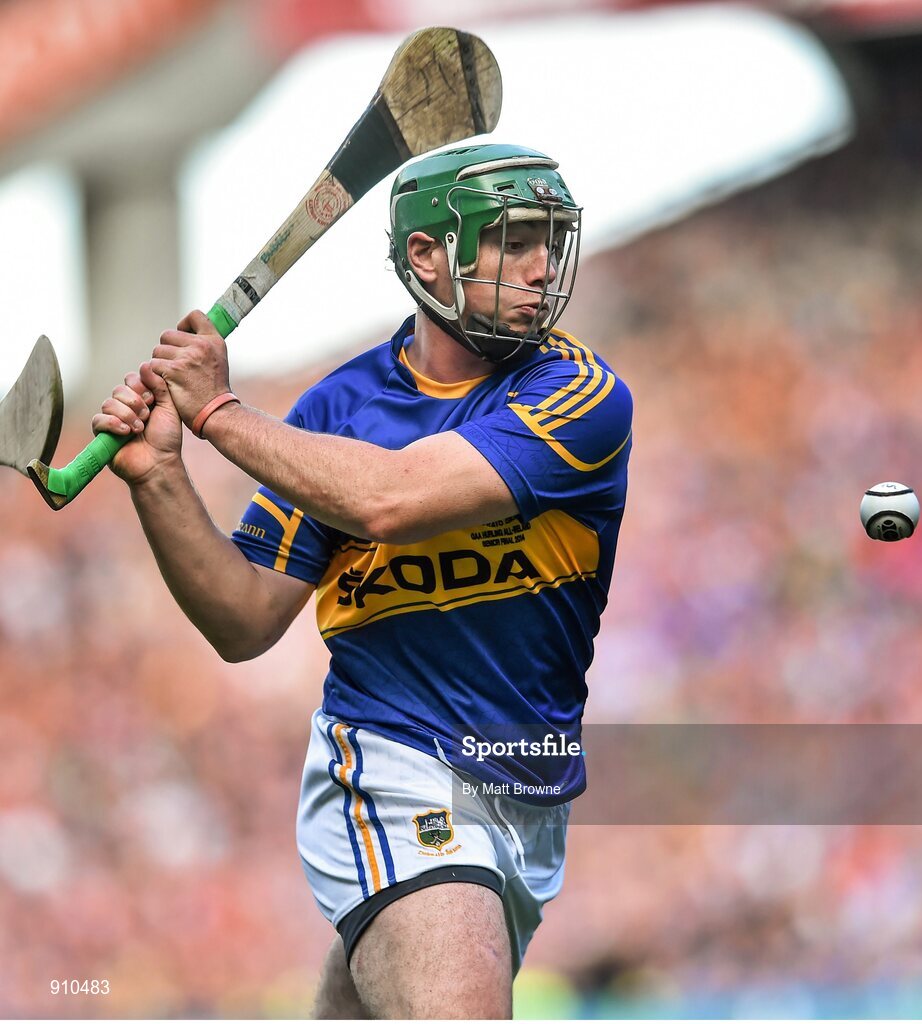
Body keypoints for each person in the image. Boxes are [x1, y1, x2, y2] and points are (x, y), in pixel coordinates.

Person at [94, 143, 632, 1019]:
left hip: (524, 787)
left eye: (551, 241)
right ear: (427, 257)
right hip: (392, 763)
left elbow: (390, 498)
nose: (542, 268)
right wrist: (160, 475)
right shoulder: (338, 413)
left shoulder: (577, 395)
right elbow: (243, 620)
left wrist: (217, 414)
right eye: (513, 240)